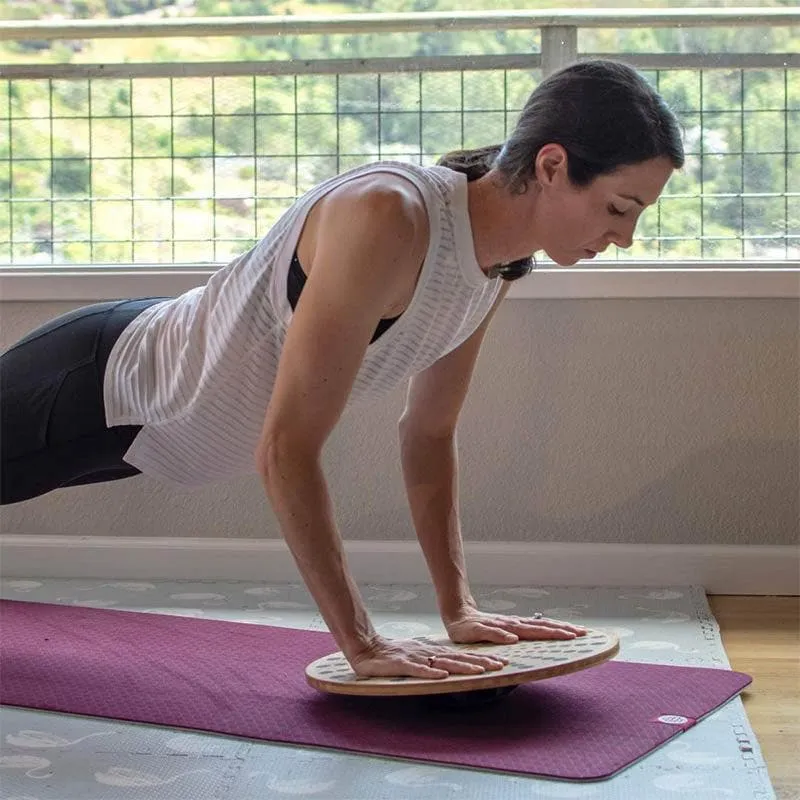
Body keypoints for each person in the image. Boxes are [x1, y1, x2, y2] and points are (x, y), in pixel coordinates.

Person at [0, 60, 684, 679]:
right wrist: (362, 642)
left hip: (146, 432)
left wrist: (460, 610)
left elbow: (428, 434)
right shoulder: (388, 215)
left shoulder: (497, 262)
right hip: (103, 384)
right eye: (619, 208)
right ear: (553, 165)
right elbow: (286, 449)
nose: (624, 235)